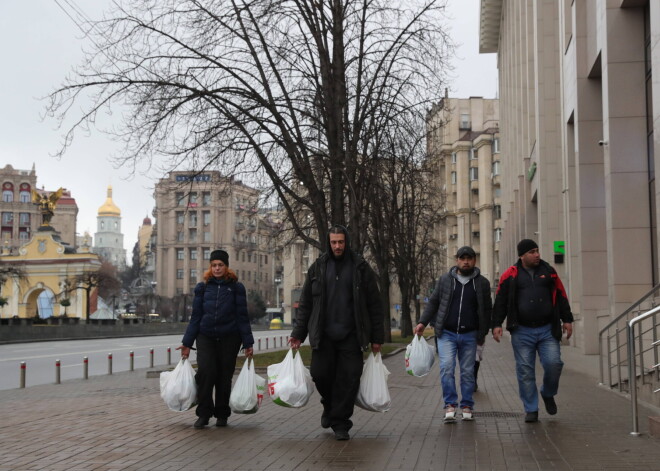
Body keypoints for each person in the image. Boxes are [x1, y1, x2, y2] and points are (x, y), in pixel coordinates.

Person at [289, 225, 384, 441]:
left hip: (352, 335)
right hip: (324, 335)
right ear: (328, 243)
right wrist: (298, 333)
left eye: (341, 242)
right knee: (320, 374)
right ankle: (329, 404)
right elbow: (305, 305)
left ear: (346, 242)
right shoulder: (318, 268)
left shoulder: (360, 267)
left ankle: (341, 422)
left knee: (349, 378)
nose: (338, 246)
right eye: (334, 242)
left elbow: (375, 305)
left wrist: (377, 338)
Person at [492, 239, 573, 423]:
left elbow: (561, 296)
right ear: (522, 255)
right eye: (532, 252)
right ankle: (531, 408)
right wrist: (496, 324)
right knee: (525, 371)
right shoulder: (510, 275)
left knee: (554, 364)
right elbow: (500, 302)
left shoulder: (549, 272)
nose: (537, 254)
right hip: (522, 331)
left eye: (537, 250)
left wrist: (567, 319)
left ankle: (547, 392)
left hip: (547, 330)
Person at [176, 249, 254, 429]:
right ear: (210, 267)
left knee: (224, 377)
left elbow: (242, 316)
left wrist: (248, 343)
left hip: (230, 337)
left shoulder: (236, 287)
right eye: (214, 265)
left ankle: (222, 414)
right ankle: (203, 414)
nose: (217, 268)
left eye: (220, 265)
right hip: (206, 337)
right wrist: (187, 343)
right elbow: (195, 317)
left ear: (226, 267)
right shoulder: (202, 288)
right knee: (205, 373)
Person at [414, 246, 492, 423]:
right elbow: (433, 302)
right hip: (446, 333)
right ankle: (450, 405)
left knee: (467, 371)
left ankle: (466, 405)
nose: (466, 262)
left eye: (469, 258)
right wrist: (422, 322)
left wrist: (484, 331)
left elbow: (487, 310)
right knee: (447, 368)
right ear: (457, 260)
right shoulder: (445, 280)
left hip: (470, 334)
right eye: (462, 258)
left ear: (474, 261)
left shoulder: (482, 283)